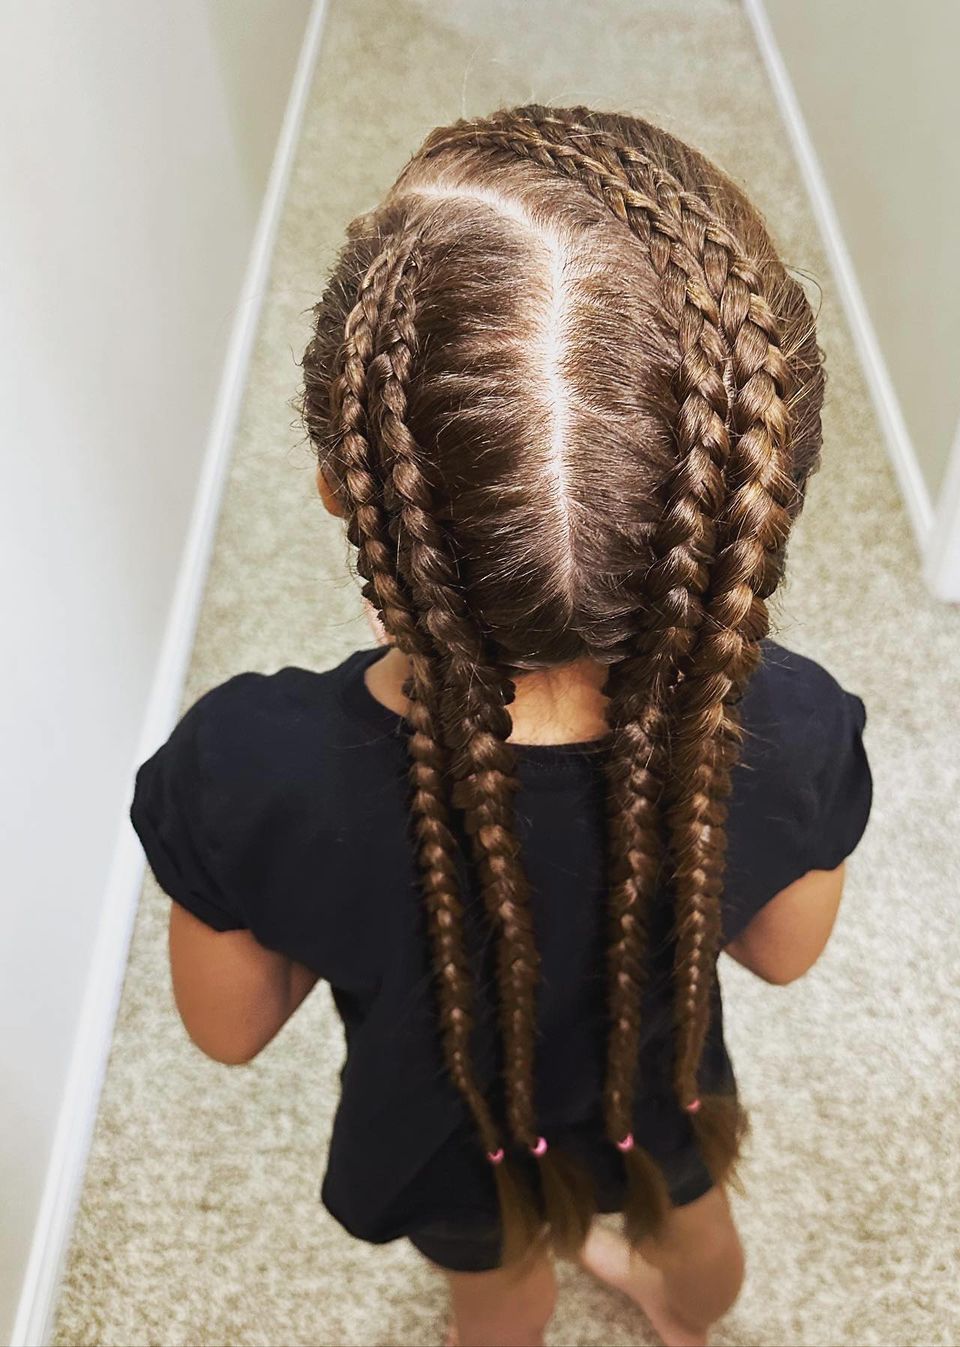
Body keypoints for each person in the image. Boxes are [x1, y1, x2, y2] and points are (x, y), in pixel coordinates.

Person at [130, 104, 873, 1347]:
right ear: (752, 487)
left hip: (448, 1123)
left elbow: (228, 1029)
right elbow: (786, 953)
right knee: (695, 1237)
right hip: (662, 1093)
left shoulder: (251, 771)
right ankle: (689, 1324)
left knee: (495, 1293)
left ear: (344, 487)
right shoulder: (788, 727)